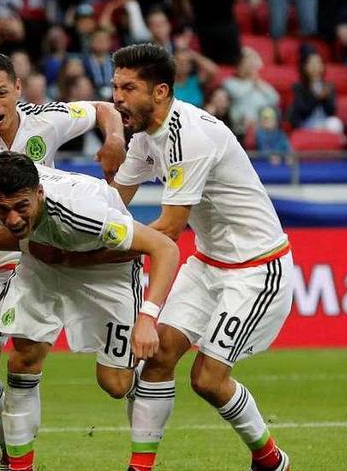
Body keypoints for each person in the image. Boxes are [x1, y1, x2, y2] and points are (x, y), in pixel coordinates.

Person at [0, 50, 126, 471]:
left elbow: (102, 109)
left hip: (19, 263)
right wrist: (30, 240)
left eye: (2, 92)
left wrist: (114, 139)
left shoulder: (45, 119)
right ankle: (2, 449)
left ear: (18, 89)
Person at [110, 44, 293, 471]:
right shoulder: (143, 136)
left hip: (256, 269)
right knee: (155, 359)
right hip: (209, 264)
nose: (117, 96)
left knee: (208, 379)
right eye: (115, 85)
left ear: (159, 92)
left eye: (128, 87)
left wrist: (102, 243)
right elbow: (113, 204)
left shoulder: (188, 136)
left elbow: (170, 229)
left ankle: (271, 460)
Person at [0, 152, 180, 471]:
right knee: (23, 358)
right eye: (2, 209)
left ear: (40, 194)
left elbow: (165, 248)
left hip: (106, 272)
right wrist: (39, 249)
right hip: (45, 266)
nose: (13, 219)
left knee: (115, 384)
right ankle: (18, 467)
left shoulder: (86, 215)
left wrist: (147, 318)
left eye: (22, 207)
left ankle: (145, 378)